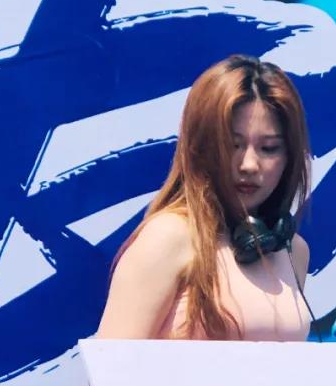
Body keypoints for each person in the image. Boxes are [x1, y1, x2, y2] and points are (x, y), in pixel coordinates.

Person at [96, 54, 312, 341]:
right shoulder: (167, 237)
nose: (249, 164)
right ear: (200, 148)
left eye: (269, 148)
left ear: (290, 157)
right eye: (232, 145)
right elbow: (111, 364)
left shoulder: (293, 250)